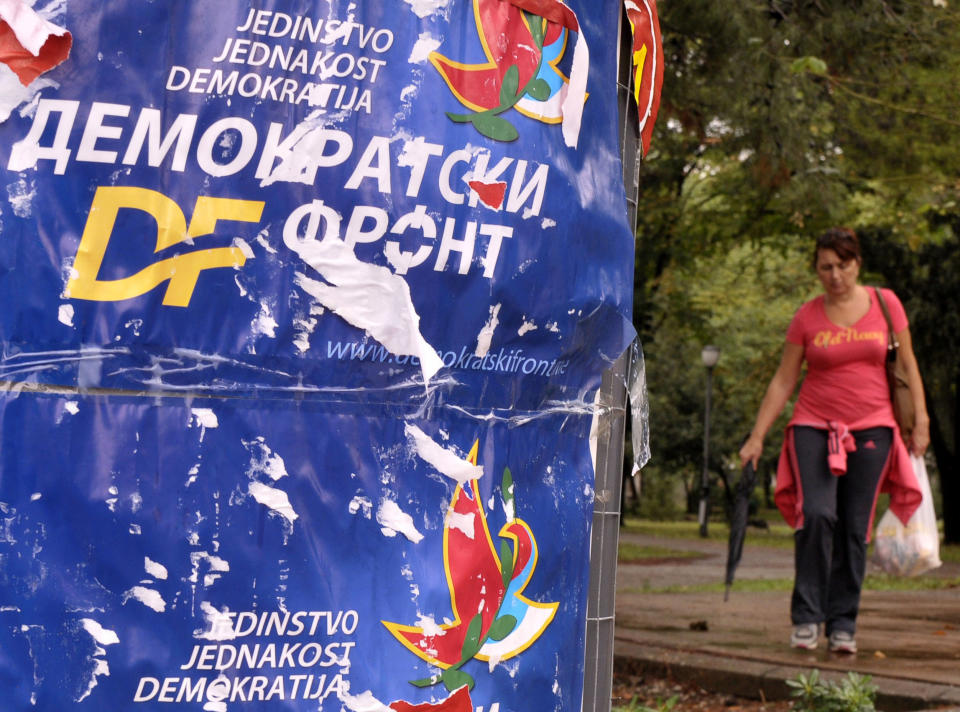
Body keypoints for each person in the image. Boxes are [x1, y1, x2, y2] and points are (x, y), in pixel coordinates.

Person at [739, 227, 929, 654]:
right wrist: (756, 437)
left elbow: (909, 365)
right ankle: (807, 617)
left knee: (854, 527)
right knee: (818, 515)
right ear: (817, 270)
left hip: (874, 427)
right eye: (826, 267)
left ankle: (843, 622)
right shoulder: (807, 316)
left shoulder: (886, 304)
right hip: (814, 426)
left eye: (842, 265)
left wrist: (922, 420)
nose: (835, 274)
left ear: (857, 263)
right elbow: (784, 379)